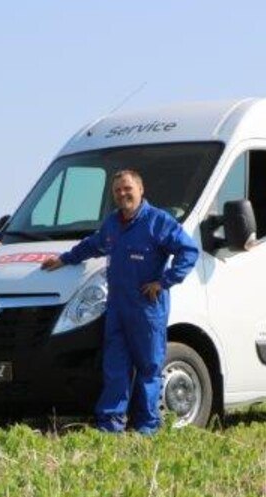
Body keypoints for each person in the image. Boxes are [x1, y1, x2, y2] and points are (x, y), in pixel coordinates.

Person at [41, 170, 199, 435]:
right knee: (115, 368)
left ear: (140, 190)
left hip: (147, 310)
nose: (123, 194)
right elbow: (92, 245)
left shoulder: (158, 221)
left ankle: (148, 427)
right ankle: (110, 426)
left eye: (127, 189)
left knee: (149, 369)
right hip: (117, 309)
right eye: (117, 191)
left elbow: (189, 250)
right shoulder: (113, 223)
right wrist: (64, 259)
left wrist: (165, 281)